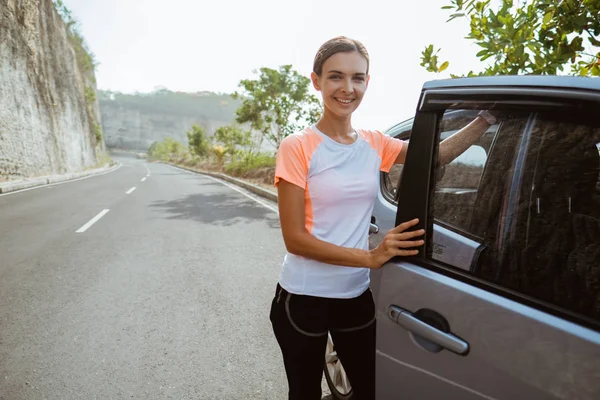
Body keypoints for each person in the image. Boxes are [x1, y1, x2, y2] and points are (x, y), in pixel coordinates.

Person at [269, 36, 497, 400]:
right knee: (305, 394)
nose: (347, 88)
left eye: (357, 78)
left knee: (371, 390)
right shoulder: (297, 146)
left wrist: (486, 119)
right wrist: (371, 257)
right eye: (335, 77)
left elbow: (434, 156)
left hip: (354, 294)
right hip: (302, 297)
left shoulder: (373, 143)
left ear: (367, 83)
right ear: (316, 81)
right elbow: (295, 239)